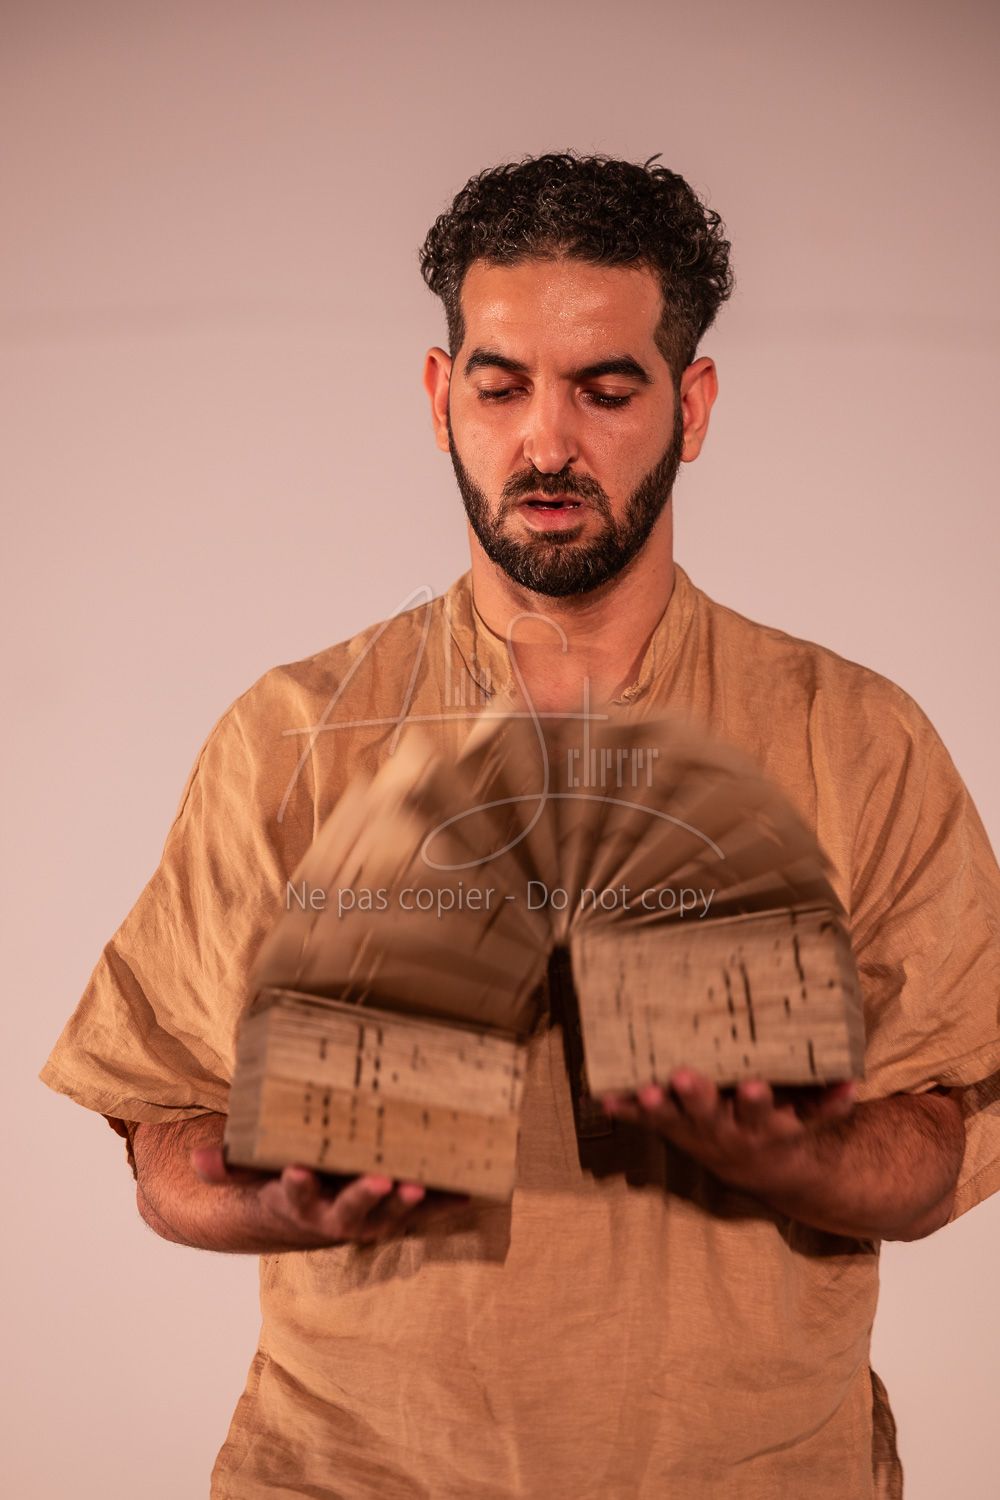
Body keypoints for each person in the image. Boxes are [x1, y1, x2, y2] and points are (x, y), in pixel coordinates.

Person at [41, 152, 1000, 1500]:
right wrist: (274, 1196)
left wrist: (794, 1150)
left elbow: (940, 1150)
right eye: (501, 389)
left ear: (691, 406)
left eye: (606, 391)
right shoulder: (294, 737)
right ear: (442, 397)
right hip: (356, 1474)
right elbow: (165, 1146)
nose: (547, 445)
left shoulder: (852, 738)